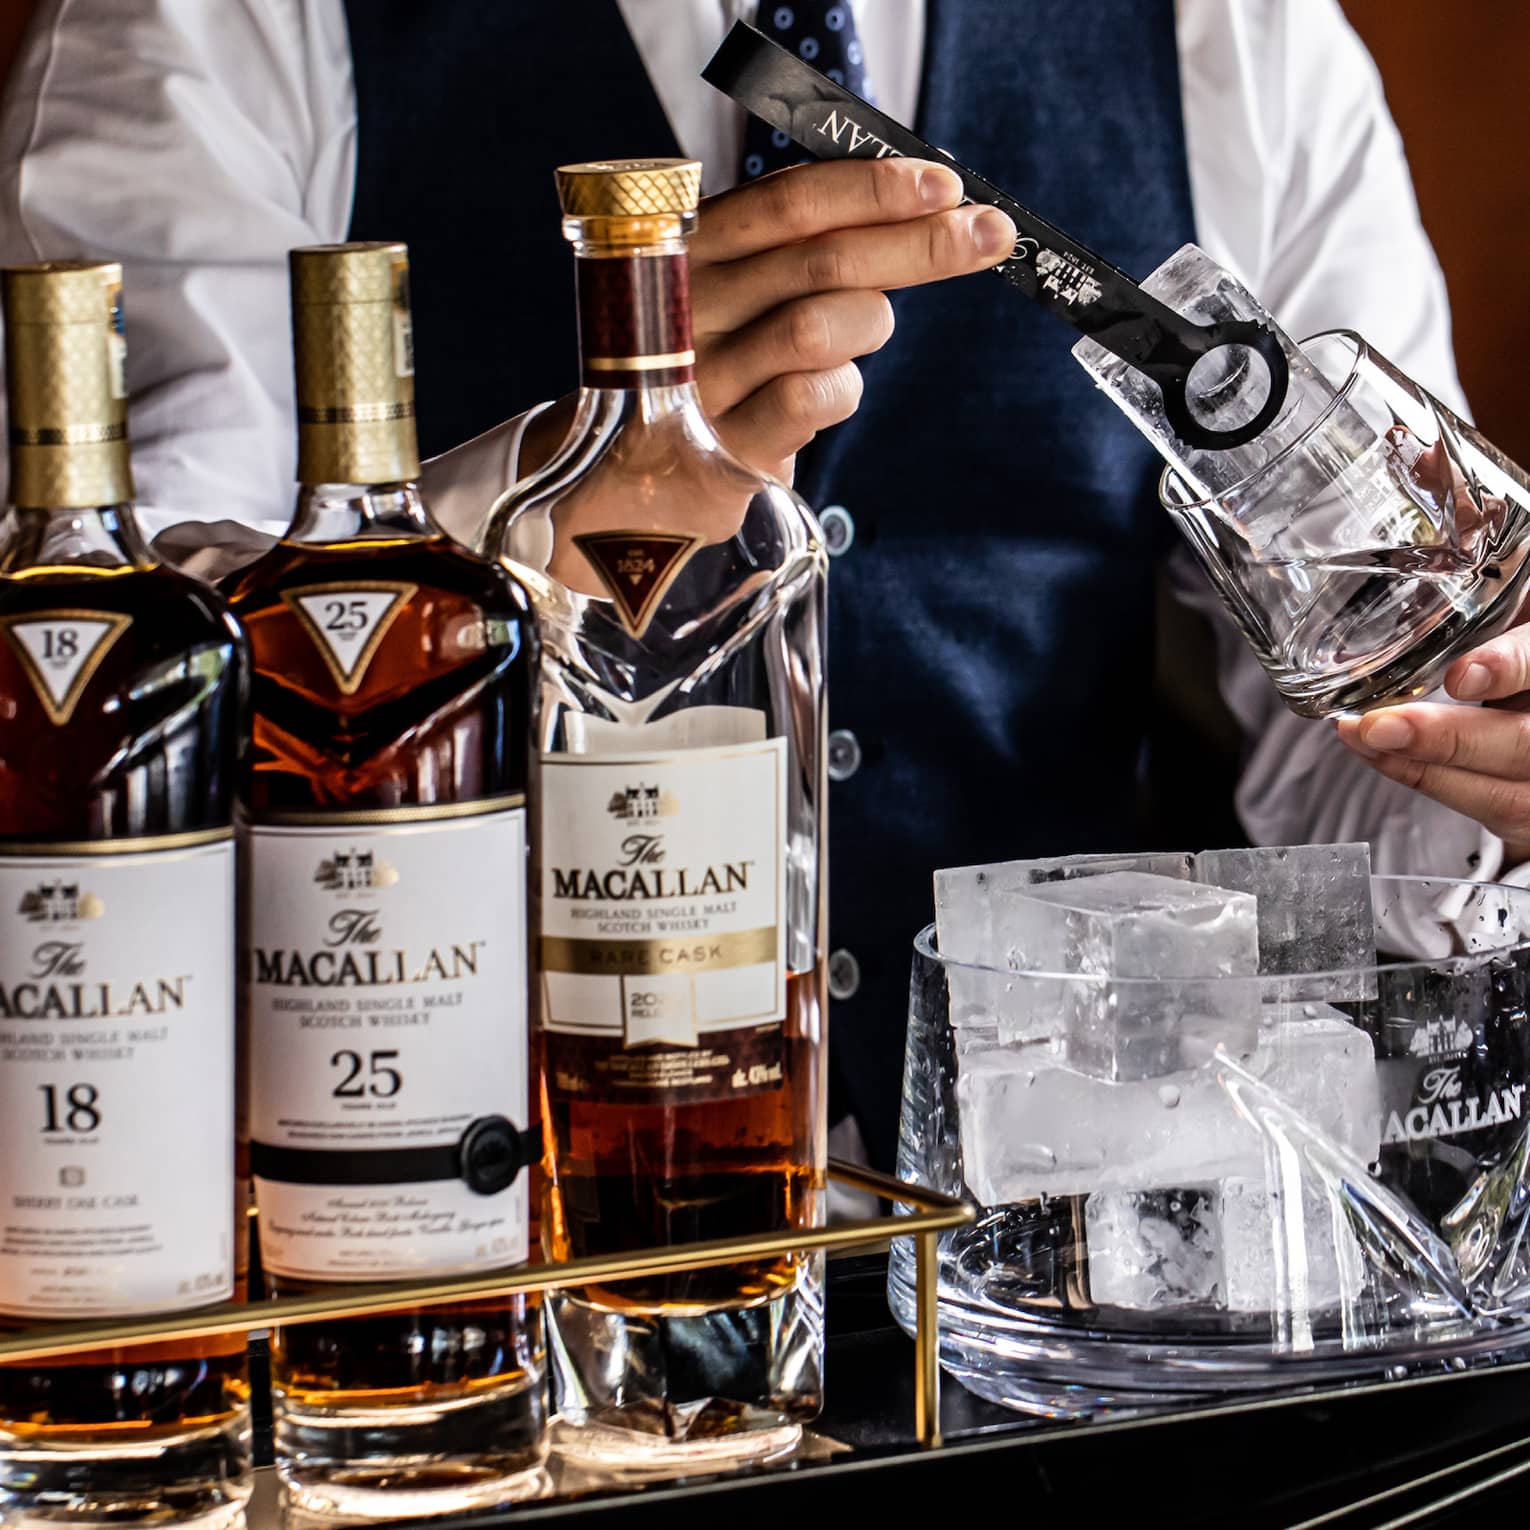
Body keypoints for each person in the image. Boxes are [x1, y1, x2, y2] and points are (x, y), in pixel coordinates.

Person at [1, 0, 1523, 1172]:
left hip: (1068, 1264)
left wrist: (1485, 765)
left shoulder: (1232, 30)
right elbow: (109, 679)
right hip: (467, 1228)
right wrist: (521, 531)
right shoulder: (222, 25)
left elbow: (1380, 726)